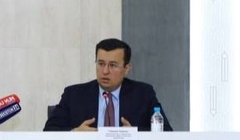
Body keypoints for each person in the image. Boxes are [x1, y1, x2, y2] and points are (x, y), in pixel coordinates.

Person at [44, 38, 173, 131]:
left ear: (127, 68)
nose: (105, 71)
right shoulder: (74, 95)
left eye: (113, 65)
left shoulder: (143, 94)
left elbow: (165, 132)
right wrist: (75, 132)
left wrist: (134, 134)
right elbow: (49, 131)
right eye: (101, 64)